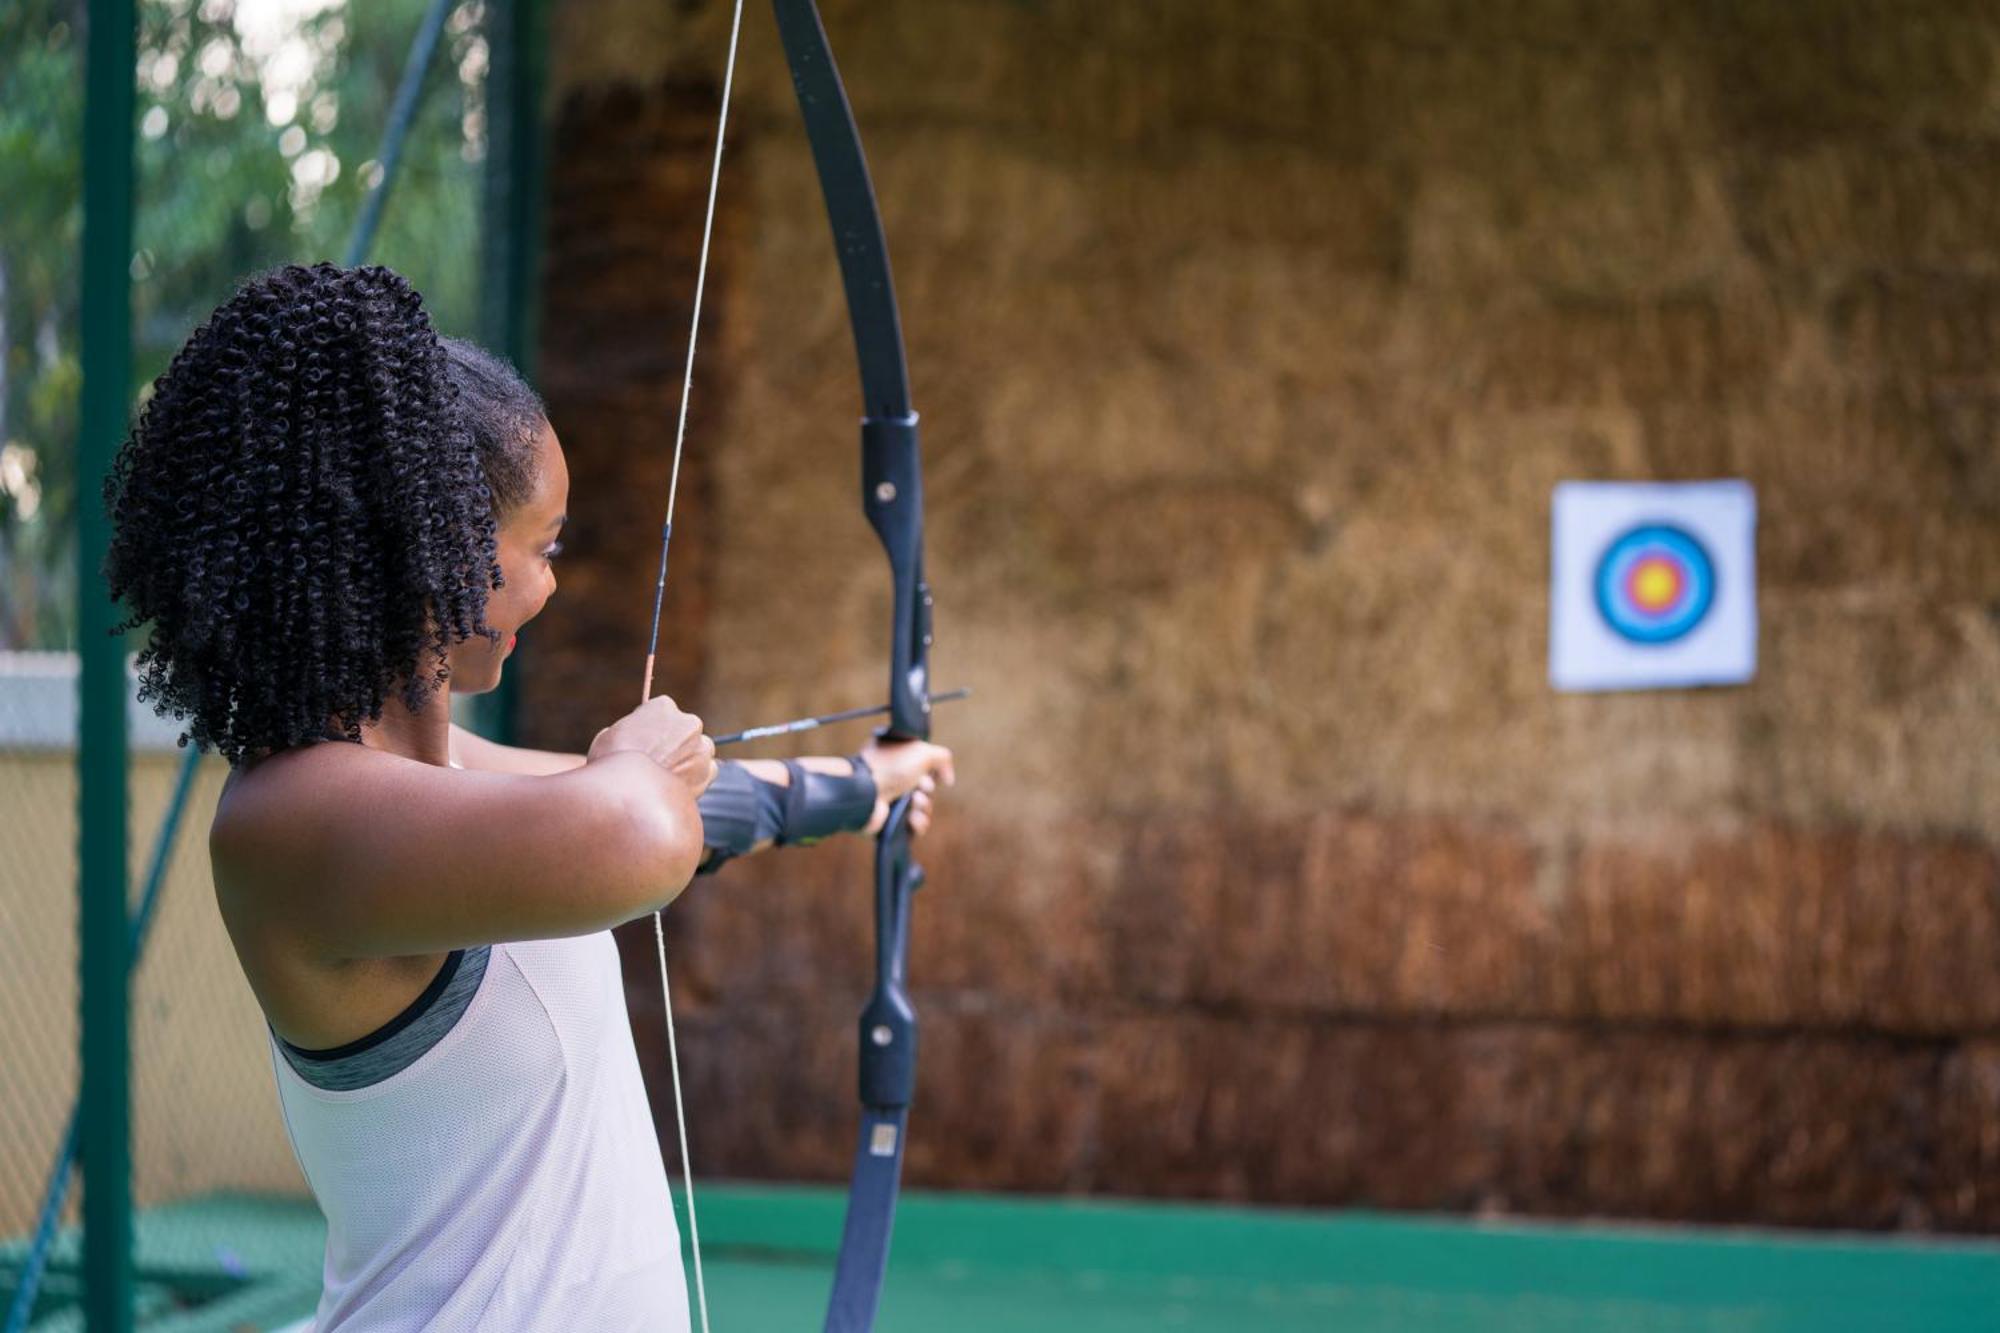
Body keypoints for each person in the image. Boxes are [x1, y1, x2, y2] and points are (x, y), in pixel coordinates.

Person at [103, 262, 954, 1331]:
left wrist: (865, 785)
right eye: (541, 548)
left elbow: (692, 815)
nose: (552, 584)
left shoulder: (440, 776)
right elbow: (639, 833)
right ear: (437, 552)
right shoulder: (293, 822)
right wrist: (636, 756)